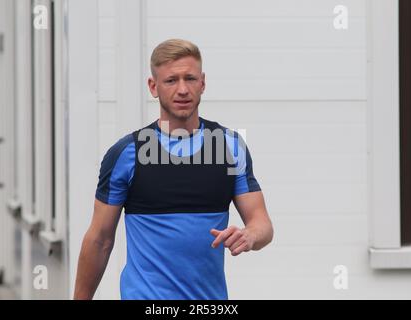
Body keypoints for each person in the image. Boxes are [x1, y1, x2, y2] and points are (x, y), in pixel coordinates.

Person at [74, 39, 274, 300]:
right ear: (153, 86)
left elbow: (262, 225)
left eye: (190, 79)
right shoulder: (127, 154)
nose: (182, 89)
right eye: (171, 80)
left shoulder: (228, 146)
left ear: (202, 83)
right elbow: (99, 240)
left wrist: (250, 235)